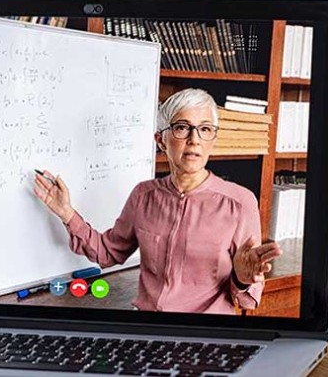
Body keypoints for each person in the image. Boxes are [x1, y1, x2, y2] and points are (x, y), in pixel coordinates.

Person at [34, 88, 282, 314]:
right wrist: (66, 213)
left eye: (205, 129)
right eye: (182, 127)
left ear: (213, 140)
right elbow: (108, 253)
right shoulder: (144, 195)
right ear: (160, 140)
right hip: (149, 329)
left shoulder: (239, 203)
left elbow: (249, 301)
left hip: (206, 336)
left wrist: (241, 277)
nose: (194, 139)